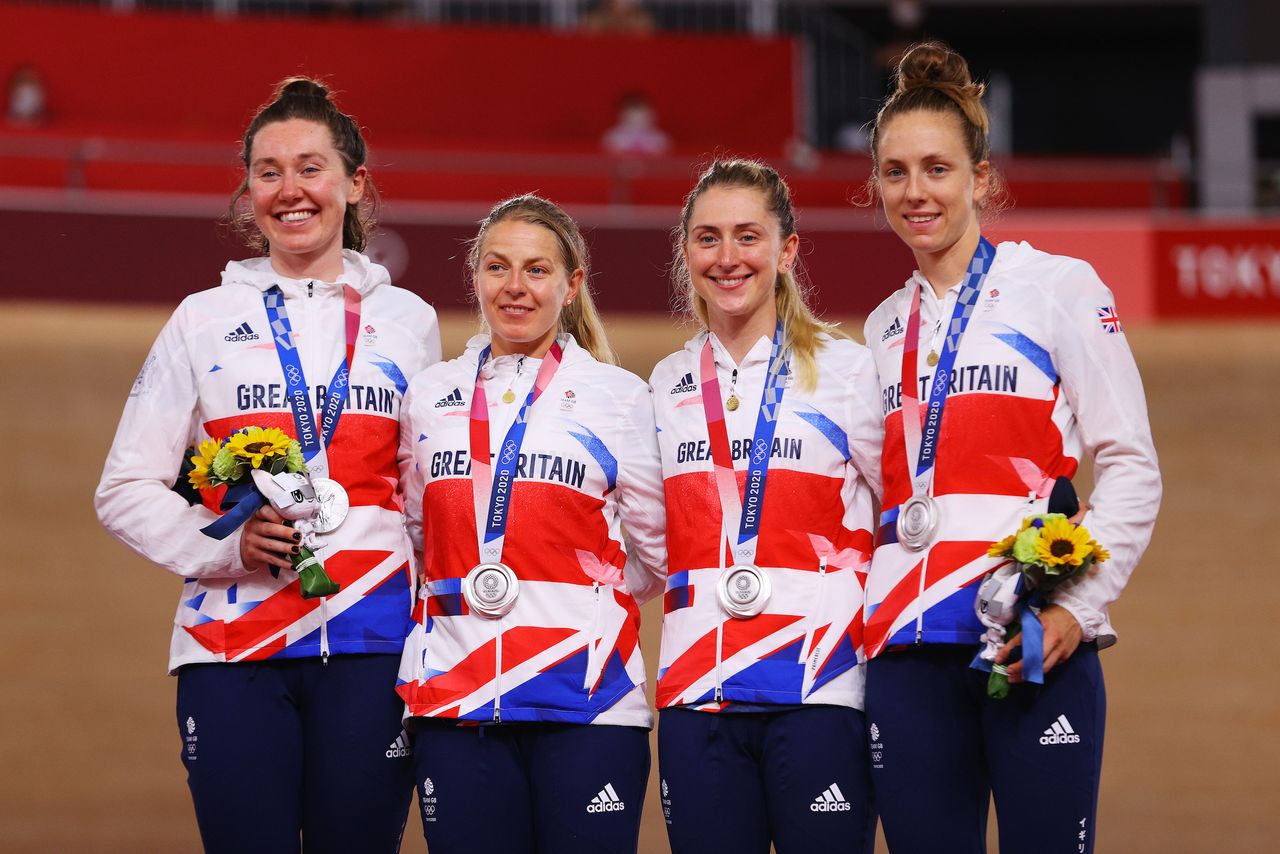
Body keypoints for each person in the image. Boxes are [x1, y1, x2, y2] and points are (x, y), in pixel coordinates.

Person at [95, 77, 441, 854]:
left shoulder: (408, 322)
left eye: (310, 167)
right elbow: (123, 487)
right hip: (231, 645)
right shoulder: (203, 319)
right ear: (247, 190)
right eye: (268, 170)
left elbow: (425, 495)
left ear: (354, 184)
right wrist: (223, 545)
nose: (290, 190)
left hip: (373, 646)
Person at [859, 42, 1161, 853]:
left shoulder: (1058, 288)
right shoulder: (883, 328)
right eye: (895, 173)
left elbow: (1130, 464)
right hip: (907, 653)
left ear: (981, 179)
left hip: (1024, 640)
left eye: (936, 169)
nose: (915, 192)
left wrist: (1076, 604)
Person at [395, 194, 666, 854]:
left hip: (588, 701)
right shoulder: (430, 395)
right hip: (455, 702)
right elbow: (414, 533)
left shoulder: (618, 396)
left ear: (572, 284)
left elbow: (655, 553)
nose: (514, 288)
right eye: (497, 267)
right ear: (476, 275)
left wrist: (577, 593)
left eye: (537, 270)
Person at [650, 158, 882, 854]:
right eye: (708, 238)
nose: (728, 258)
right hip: (699, 693)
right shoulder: (663, 384)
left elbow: (904, 517)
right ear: (687, 251)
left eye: (748, 237)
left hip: (819, 687)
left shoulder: (849, 372)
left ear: (787, 250)